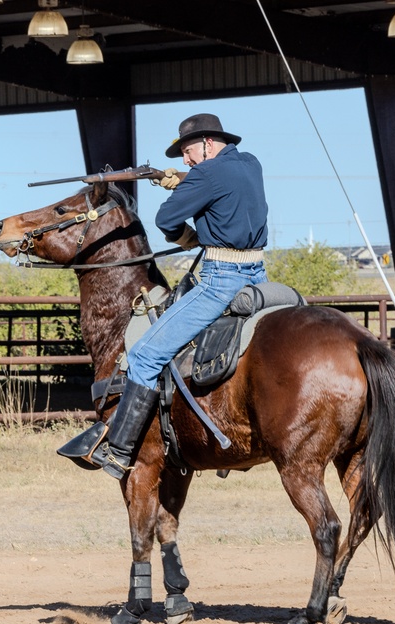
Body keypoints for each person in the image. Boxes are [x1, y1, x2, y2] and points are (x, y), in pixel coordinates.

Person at [58, 113, 269, 479]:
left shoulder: (205, 174)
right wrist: (185, 182)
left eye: (188, 151)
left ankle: (120, 449)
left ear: (206, 143)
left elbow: (166, 220)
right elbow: (224, 185)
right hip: (258, 277)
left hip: (221, 280)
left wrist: (189, 233)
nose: (185, 160)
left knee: (144, 353)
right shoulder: (251, 164)